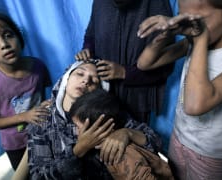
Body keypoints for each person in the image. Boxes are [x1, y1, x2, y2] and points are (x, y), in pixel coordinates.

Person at [136, 0, 222, 179]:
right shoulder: (193, 40)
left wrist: (200, 38)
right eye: (183, 18)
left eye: (196, 19)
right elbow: (145, 63)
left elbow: (195, 106)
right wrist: (166, 34)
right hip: (178, 138)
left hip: (209, 155)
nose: (189, 26)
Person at [12, 60, 162, 180]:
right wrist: (78, 149)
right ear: (66, 79)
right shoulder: (43, 119)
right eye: (80, 74)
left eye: (94, 80)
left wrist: (127, 133)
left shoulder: (107, 114)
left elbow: (155, 142)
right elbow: (38, 176)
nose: (86, 81)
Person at [0, 10, 51, 170]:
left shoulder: (38, 66)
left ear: (18, 37)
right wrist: (24, 116)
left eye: (8, 35)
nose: (4, 44)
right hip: (16, 145)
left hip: (44, 133)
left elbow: (43, 97)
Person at [75, 0, 175, 123]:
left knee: (130, 137)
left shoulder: (156, 4)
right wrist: (87, 50)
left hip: (136, 98)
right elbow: (91, 34)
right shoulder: (100, 2)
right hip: (99, 93)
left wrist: (124, 72)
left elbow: (165, 66)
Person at [69, 88, 174, 180]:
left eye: (78, 127)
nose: (75, 131)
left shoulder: (120, 155)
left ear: (101, 129)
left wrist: (128, 133)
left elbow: (156, 141)